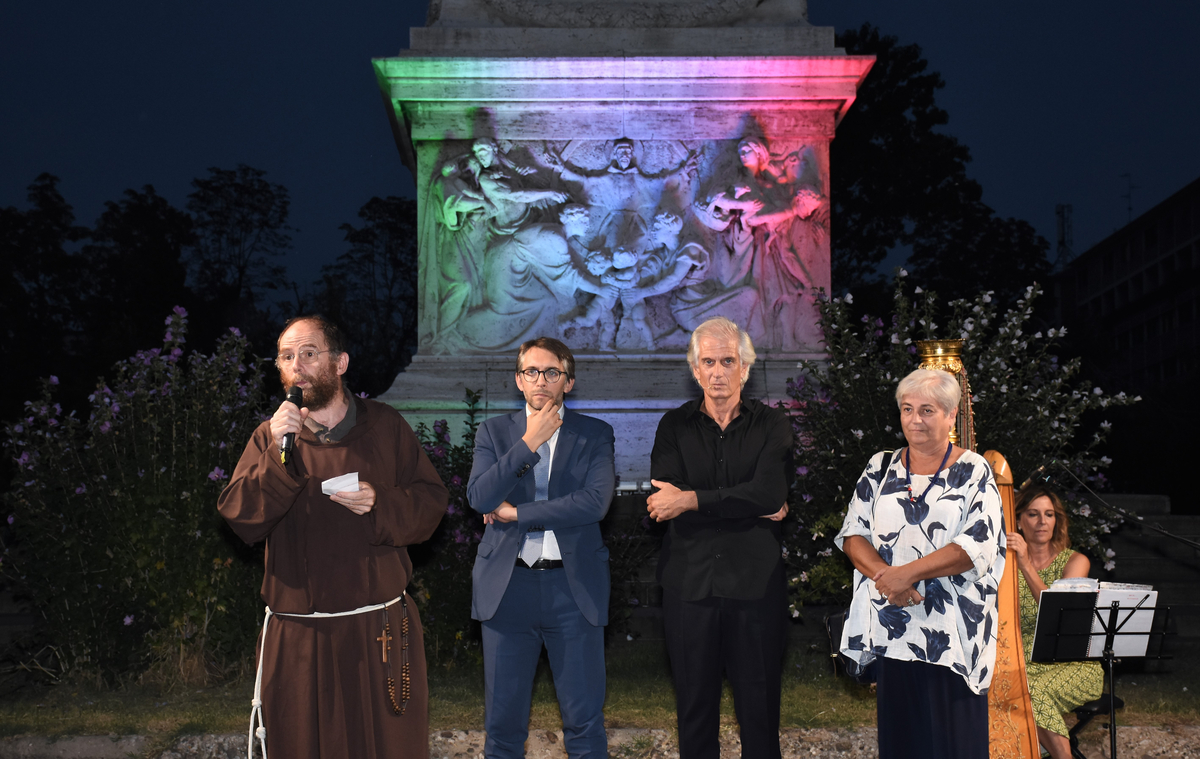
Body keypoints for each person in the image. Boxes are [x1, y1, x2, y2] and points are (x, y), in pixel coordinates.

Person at [218, 315, 449, 759]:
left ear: (340, 362)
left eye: (309, 353)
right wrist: (277, 454)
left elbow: (430, 503)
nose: (297, 366)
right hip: (299, 638)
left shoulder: (385, 426)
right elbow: (240, 517)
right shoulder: (271, 437)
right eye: (286, 357)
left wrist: (379, 501)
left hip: (377, 632)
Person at [835, 368, 1006, 759]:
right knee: (902, 743)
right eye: (907, 409)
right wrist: (887, 579)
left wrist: (907, 574)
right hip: (892, 622)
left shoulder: (974, 470)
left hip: (952, 630)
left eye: (927, 410)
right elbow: (853, 532)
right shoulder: (880, 466)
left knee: (955, 745)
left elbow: (975, 544)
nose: (915, 419)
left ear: (951, 416)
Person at [647, 316, 793, 759]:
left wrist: (692, 500)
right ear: (695, 370)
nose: (717, 372)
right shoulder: (673, 427)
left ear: (745, 368)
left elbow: (769, 492)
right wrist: (745, 503)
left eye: (727, 361)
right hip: (689, 587)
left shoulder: (773, 425)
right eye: (707, 362)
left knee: (760, 713)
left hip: (756, 587)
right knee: (694, 711)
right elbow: (661, 501)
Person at [467, 337, 616, 759]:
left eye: (552, 372)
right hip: (507, 590)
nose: (541, 380)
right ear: (518, 380)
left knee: (585, 725)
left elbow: (594, 503)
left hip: (573, 591)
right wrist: (529, 443)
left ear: (568, 382)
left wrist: (518, 513)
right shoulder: (494, 433)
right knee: (503, 726)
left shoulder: (595, 434)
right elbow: (479, 497)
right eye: (531, 371)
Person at [1007, 483, 1104, 759]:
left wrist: (1025, 564)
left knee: (1027, 690)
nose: (1042, 522)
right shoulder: (1004, 566)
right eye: (1033, 514)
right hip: (1024, 660)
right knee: (1001, 684)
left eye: (1049, 514)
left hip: (1072, 662)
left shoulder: (1074, 562)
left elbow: (1058, 616)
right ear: (1018, 521)